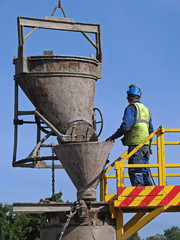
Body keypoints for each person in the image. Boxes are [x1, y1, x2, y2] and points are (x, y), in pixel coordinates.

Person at [106, 84, 153, 186]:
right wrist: (149, 144)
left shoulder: (131, 108)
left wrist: (113, 136)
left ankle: (139, 194)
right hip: (145, 145)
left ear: (128, 98)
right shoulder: (146, 109)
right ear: (139, 96)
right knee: (144, 170)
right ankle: (150, 193)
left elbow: (126, 126)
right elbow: (151, 129)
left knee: (135, 170)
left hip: (136, 145)